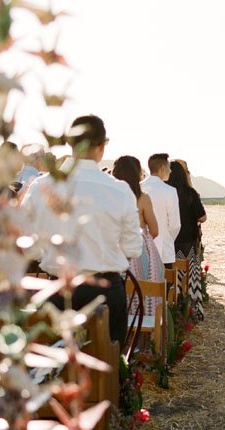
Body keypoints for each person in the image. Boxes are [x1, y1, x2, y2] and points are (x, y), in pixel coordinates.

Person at [21, 115, 143, 343]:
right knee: (107, 369)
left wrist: (44, 255)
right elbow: (133, 248)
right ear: (101, 146)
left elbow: (26, 239)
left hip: (58, 291)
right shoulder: (120, 190)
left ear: (71, 143)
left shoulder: (41, 186)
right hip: (105, 292)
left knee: (55, 371)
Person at [112, 155, 165, 317]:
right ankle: (145, 334)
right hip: (138, 251)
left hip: (113, 249)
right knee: (144, 292)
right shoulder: (142, 198)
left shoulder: (111, 196)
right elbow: (155, 230)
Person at [167, 160, 207, 319]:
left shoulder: (167, 192)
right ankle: (192, 310)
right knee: (191, 277)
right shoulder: (190, 193)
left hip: (170, 242)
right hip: (188, 241)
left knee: (173, 276)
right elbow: (202, 217)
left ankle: (173, 309)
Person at [141, 154, 181, 268]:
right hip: (164, 251)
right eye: (169, 167)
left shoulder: (138, 187)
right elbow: (175, 224)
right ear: (163, 168)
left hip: (141, 249)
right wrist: (167, 239)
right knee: (164, 284)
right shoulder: (170, 191)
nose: (170, 171)